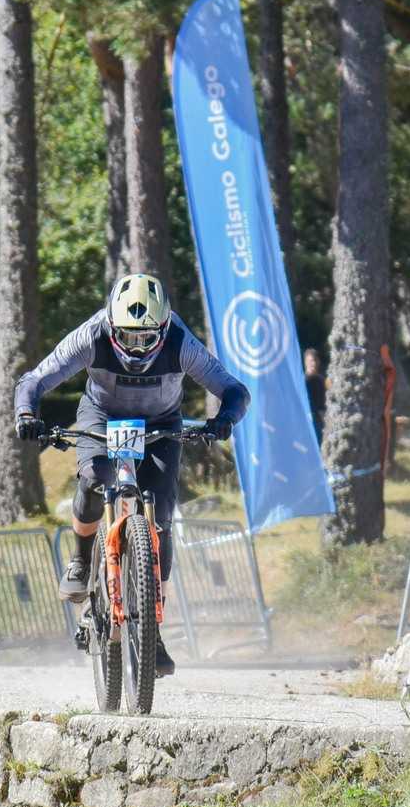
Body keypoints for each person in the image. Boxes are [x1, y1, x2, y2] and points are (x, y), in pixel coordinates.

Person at [14, 273, 249, 677]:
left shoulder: (178, 340)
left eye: (145, 339)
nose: (136, 347)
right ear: (110, 324)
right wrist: (27, 414)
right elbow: (34, 379)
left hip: (161, 422)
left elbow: (234, 390)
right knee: (91, 479)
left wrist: (223, 420)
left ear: (163, 327)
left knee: (160, 520)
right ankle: (82, 560)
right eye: (127, 337)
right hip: (101, 418)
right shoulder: (91, 336)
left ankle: (151, 629)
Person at [302, 347, 326, 440]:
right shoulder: (302, 381)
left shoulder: (322, 380)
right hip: (308, 421)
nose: (314, 363)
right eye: (311, 361)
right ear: (305, 363)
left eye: (315, 360)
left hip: (320, 420)